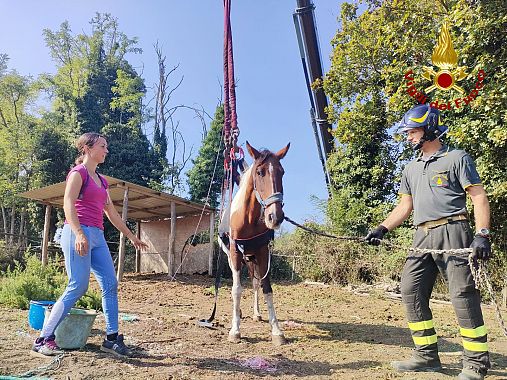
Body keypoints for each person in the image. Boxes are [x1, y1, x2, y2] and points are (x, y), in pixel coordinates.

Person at [365, 104, 491, 380]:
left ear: (429, 129)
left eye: (412, 131)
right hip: (421, 235)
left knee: (462, 295)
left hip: (453, 230)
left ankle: (475, 364)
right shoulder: (410, 169)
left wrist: (482, 234)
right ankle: (426, 356)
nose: (409, 137)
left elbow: (479, 197)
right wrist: (382, 228)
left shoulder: (457, 158)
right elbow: (404, 205)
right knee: (410, 290)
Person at [32, 132, 148, 358]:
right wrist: (79, 234)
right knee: (78, 285)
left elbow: (111, 212)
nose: (106, 150)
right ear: (87, 148)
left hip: (98, 236)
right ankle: (43, 338)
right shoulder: (78, 173)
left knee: (110, 283)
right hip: (78, 232)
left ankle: (111, 338)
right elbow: (68, 203)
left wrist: (131, 236)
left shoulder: (102, 180)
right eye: (103, 146)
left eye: (106, 146)